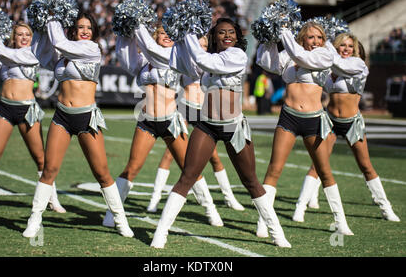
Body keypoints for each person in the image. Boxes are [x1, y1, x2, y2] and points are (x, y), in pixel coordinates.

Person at [150, 18, 291, 249]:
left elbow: (204, 60)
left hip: (233, 127)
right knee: (187, 177)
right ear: (214, 36)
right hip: (207, 125)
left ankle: (276, 233)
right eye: (222, 33)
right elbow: (181, 64)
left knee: (251, 181)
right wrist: (183, 34)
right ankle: (161, 232)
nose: (227, 36)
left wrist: (189, 39)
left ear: (237, 37)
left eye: (232, 32)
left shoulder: (237, 55)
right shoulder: (210, 58)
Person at [22, 11, 134, 238]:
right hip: (62, 116)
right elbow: (37, 53)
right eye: (80, 27)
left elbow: (60, 43)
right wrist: (42, 28)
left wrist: (51, 13)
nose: (85, 31)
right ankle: (35, 218)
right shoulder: (61, 55)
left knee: (102, 173)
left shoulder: (92, 49)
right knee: (49, 169)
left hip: (86, 117)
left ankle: (120, 220)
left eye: (89, 28)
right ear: (73, 30)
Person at [104, 25, 223, 227]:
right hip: (147, 121)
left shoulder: (175, 58)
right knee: (131, 168)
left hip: (170, 121)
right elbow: (126, 57)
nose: (166, 36)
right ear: (155, 36)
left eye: (169, 34)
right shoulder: (143, 61)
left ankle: (210, 209)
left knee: (189, 168)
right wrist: (127, 31)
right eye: (161, 33)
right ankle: (112, 213)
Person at [255, 22, 354, 237]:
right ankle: (264, 221)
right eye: (311, 37)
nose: (316, 41)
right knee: (274, 169)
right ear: (302, 39)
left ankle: (341, 221)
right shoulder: (290, 54)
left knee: (324, 171)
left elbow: (304, 59)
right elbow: (266, 62)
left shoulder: (326, 54)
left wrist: (283, 31)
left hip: (314, 120)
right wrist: (269, 39)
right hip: (289, 117)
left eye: (319, 37)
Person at [292, 34, 400, 222]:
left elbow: (336, 64)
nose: (346, 49)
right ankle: (300, 207)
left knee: (366, 166)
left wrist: (325, 50)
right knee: (317, 164)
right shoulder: (328, 66)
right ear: (336, 47)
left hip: (351, 123)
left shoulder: (358, 66)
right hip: (331, 121)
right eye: (342, 45)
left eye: (350, 46)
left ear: (355, 49)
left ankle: (385, 207)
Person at [0, 22, 65, 214]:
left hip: (26, 111)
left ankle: (53, 200)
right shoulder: (4, 58)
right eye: (20, 34)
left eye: (27, 35)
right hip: (5, 109)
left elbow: (7, 53)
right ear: (13, 37)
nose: (24, 38)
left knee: (40, 158)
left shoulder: (32, 55)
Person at [147, 35, 245, 213]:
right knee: (170, 154)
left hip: (204, 110)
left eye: (204, 45)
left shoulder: (211, 62)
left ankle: (229, 196)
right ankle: (155, 198)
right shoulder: (187, 60)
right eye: (198, 44)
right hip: (185, 107)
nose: (201, 47)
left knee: (214, 157)